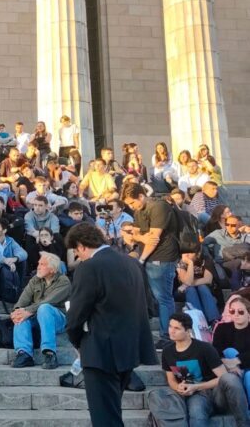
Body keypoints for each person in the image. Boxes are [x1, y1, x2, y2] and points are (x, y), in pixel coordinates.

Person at [65, 222, 157, 427]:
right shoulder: (132, 263)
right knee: (112, 413)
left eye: (77, 252)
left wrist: (77, 342)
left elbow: (76, 315)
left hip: (100, 351)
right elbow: (150, 306)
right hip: (129, 350)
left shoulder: (89, 267)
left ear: (80, 246)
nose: (79, 257)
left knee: (105, 418)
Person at [149, 312, 250, 427]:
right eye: (170, 326)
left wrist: (197, 386)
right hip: (194, 396)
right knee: (196, 408)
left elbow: (222, 377)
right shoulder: (167, 351)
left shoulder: (204, 348)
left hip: (214, 394)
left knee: (230, 378)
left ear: (188, 331)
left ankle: (244, 423)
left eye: (177, 328)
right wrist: (178, 387)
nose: (172, 331)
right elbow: (171, 379)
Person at [122, 181, 180, 348]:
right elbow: (139, 235)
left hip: (162, 257)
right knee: (156, 298)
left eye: (132, 202)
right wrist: (140, 238)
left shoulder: (158, 207)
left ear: (141, 196)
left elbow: (154, 238)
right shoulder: (140, 211)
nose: (131, 207)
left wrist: (141, 258)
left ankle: (167, 336)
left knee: (163, 298)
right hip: (148, 258)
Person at [10, 251, 71, 369]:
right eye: (39, 263)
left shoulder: (64, 281)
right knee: (20, 314)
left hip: (59, 320)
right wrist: (17, 311)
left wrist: (27, 311)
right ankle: (24, 354)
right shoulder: (35, 280)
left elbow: (49, 301)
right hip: (37, 318)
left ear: (52, 269)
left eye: (42, 264)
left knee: (44, 308)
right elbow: (21, 302)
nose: (38, 267)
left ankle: (49, 353)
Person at [212, 297, 250, 407]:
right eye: (232, 311)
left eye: (241, 311)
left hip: (247, 368)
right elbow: (215, 351)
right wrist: (229, 364)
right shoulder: (222, 328)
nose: (236, 314)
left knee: (249, 376)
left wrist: (237, 360)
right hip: (228, 368)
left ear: (248, 313)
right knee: (229, 351)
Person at [0, 218, 28, 297]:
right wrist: (5, 260)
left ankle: (18, 289)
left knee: (22, 260)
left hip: (7, 271)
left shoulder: (11, 241)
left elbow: (23, 253)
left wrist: (15, 259)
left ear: (4, 231)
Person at [175, 250, 221, 325]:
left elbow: (208, 279)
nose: (187, 255)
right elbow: (186, 280)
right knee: (191, 290)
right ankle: (198, 321)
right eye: (185, 252)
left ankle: (214, 321)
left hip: (204, 289)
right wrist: (190, 263)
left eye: (190, 252)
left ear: (197, 253)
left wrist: (186, 284)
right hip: (184, 292)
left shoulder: (205, 259)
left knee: (202, 287)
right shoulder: (181, 262)